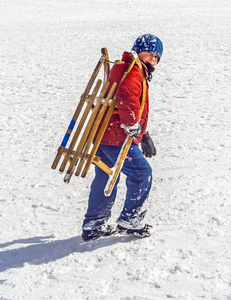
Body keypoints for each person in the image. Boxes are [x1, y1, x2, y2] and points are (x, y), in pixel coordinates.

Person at [82, 33, 163, 242]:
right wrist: (132, 125)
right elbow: (126, 95)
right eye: (150, 54)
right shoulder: (134, 70)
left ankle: (95, 224)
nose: (152, 59)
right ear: (139, 50)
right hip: (115, 135)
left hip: (102, 132)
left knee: (107, 176)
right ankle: (131, 220)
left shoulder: (127, 67)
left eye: (156, 57)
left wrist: (143, 134)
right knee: (141, 173)